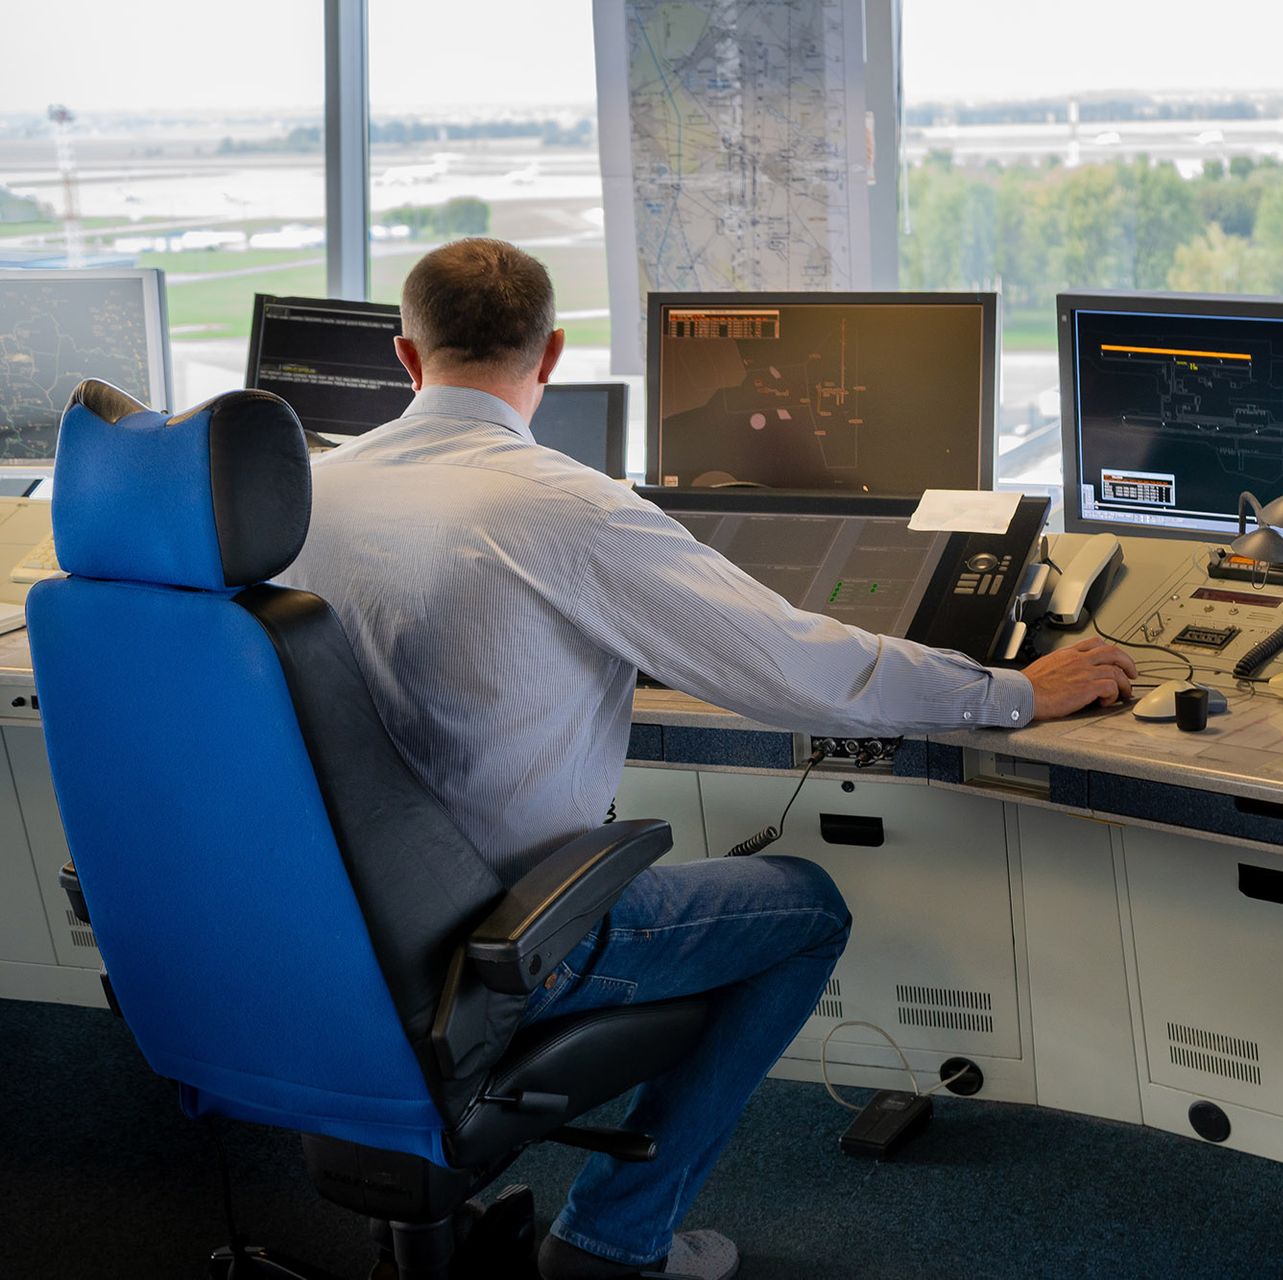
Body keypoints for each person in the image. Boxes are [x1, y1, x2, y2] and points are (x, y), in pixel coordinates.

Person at [278, 237, 1137, 1280]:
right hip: (496, 942)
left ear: (406, 359)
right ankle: (615, 1233)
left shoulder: (302, 495)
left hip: (316, 930)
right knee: (804, 910)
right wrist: (1010, 689)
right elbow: (796, 668)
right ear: (550, 354)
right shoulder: (569, 507)